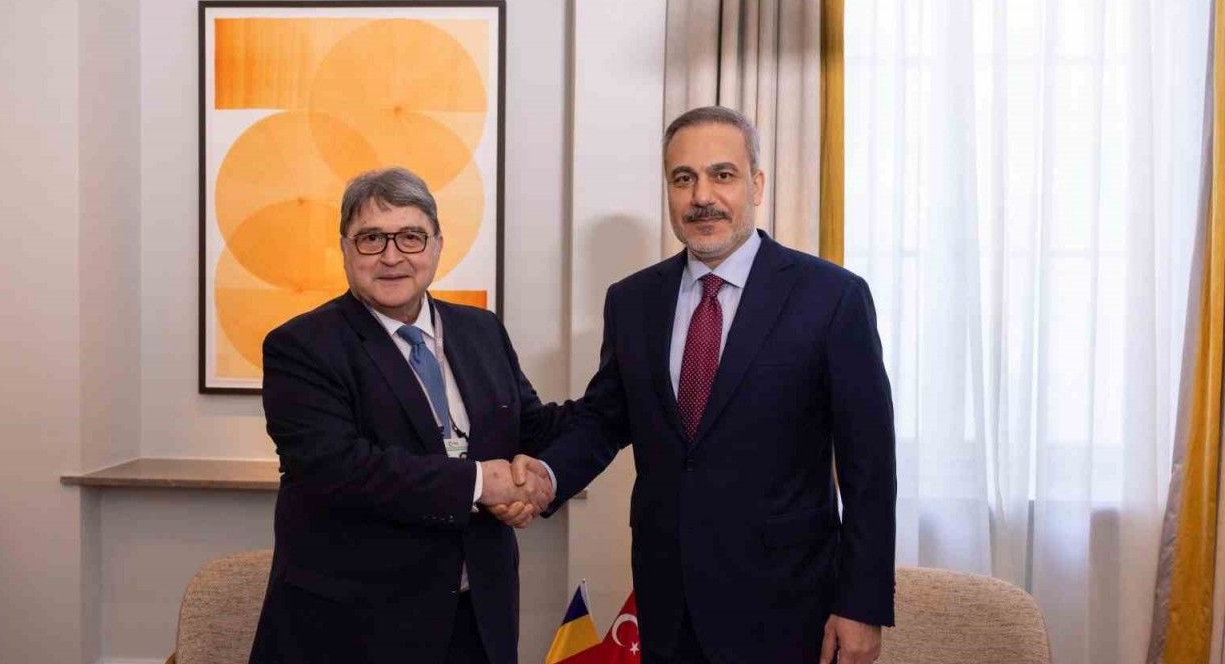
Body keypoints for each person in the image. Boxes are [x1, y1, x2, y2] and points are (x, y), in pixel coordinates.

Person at [516, 106, 896, 664]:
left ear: (756, 185)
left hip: (788, 608)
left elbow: (870, 465)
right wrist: (547, 477)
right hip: (667, 604)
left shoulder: (832, 297)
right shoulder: (632, 301)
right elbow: (604, 419)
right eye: (683, 178)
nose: (702, 197)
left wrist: (861, 605)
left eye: (722, 175)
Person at [248, 167, 560, 664]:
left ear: (437, 245)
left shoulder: (481, 330)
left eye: (411, 237)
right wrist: (481, 484)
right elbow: (339, 470)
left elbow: (532, 429)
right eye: (371, 238)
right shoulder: (302, 346)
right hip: (357, 631)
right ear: (345, 249)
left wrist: (618, 402)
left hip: (478, 619)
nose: (392, 256)